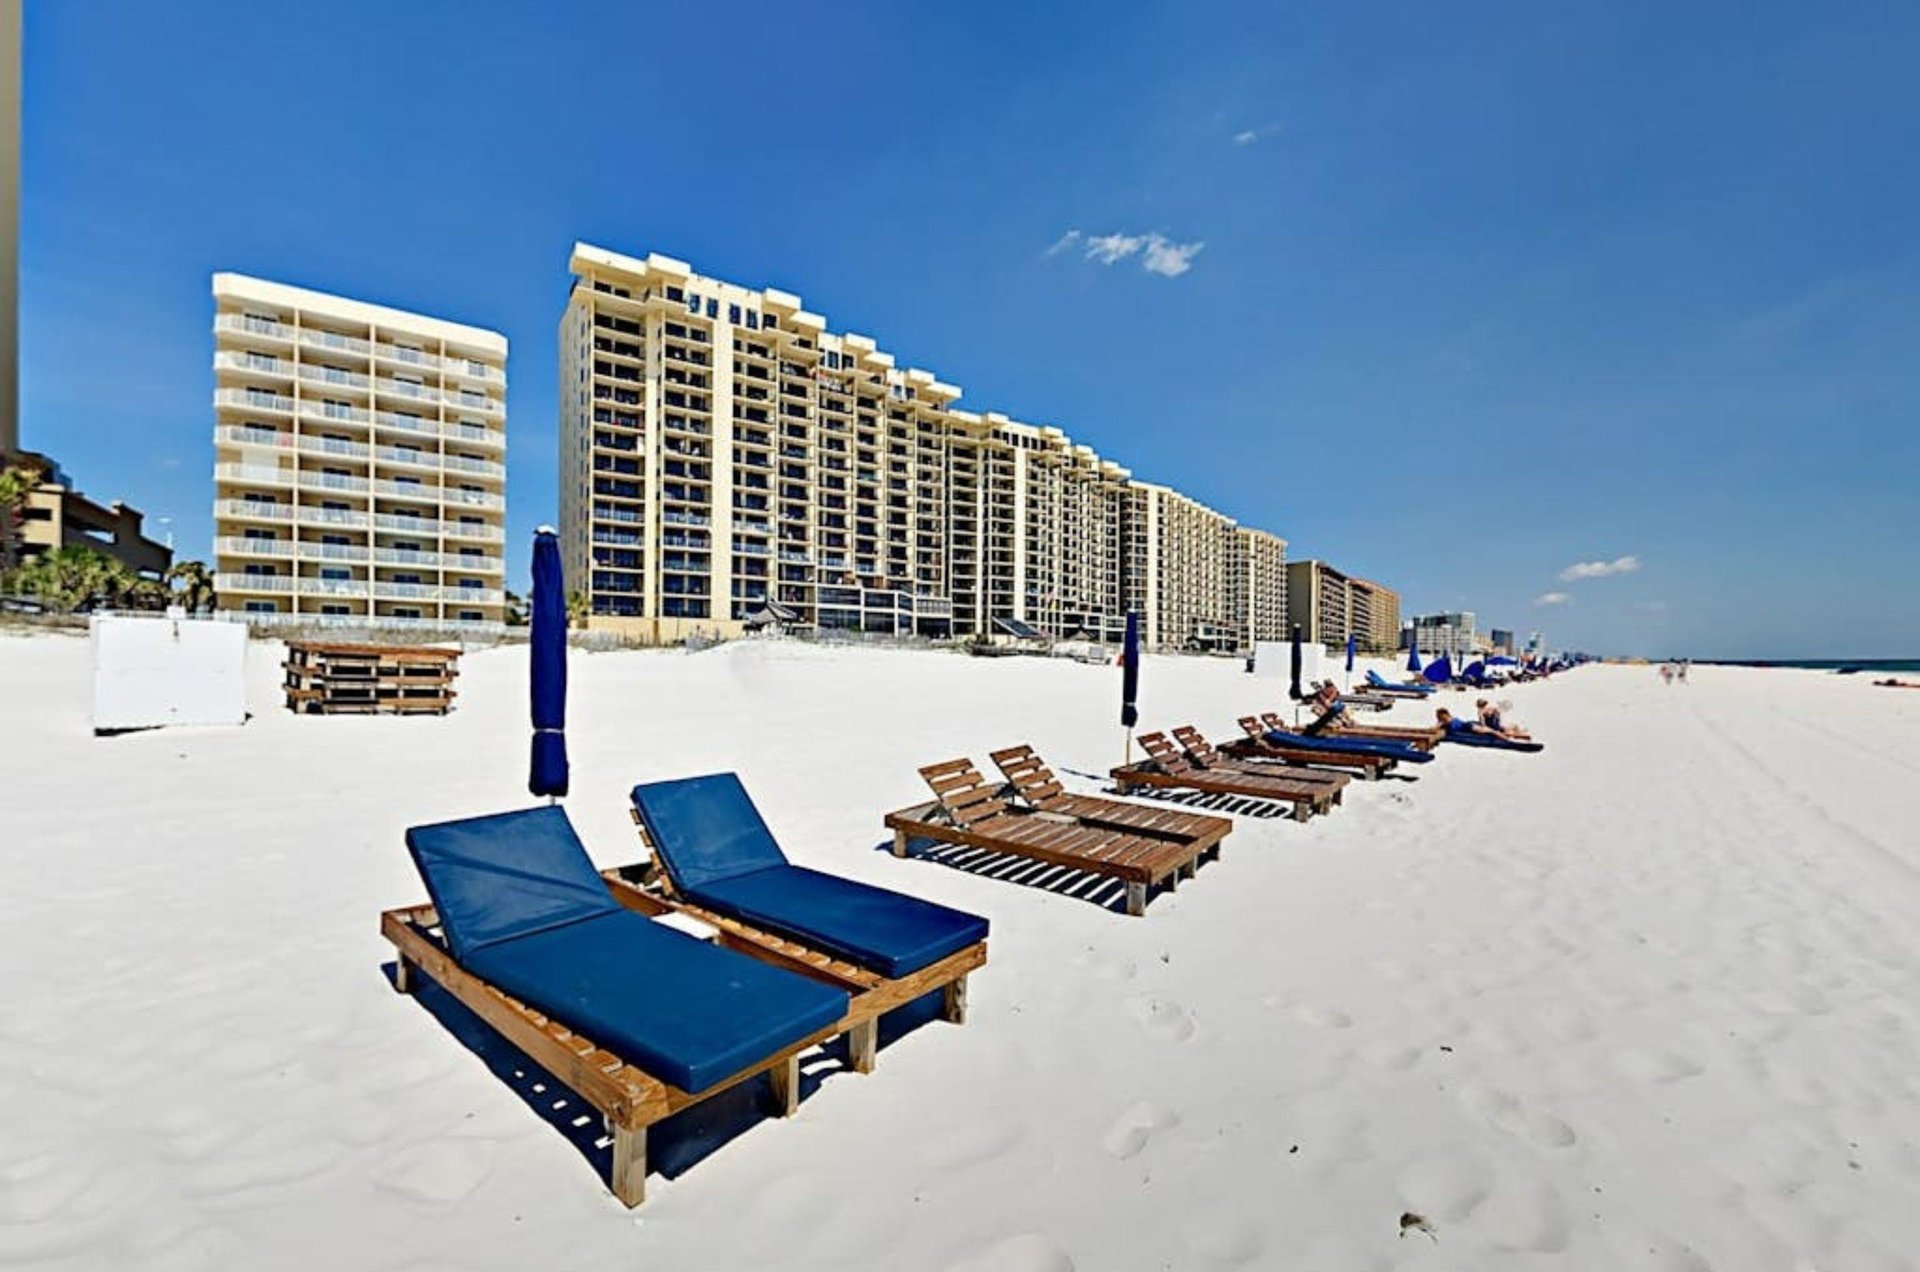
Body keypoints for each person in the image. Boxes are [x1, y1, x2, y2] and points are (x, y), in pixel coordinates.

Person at [1438, 706, 1531, 745]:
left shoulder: (1445, 721)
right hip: (1470, 725)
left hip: (1469, 726)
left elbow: (1436, 727)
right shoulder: (1449, 719)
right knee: (1493, 731)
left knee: (1493, 731)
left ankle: (1510, 740)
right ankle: (1520, 736)